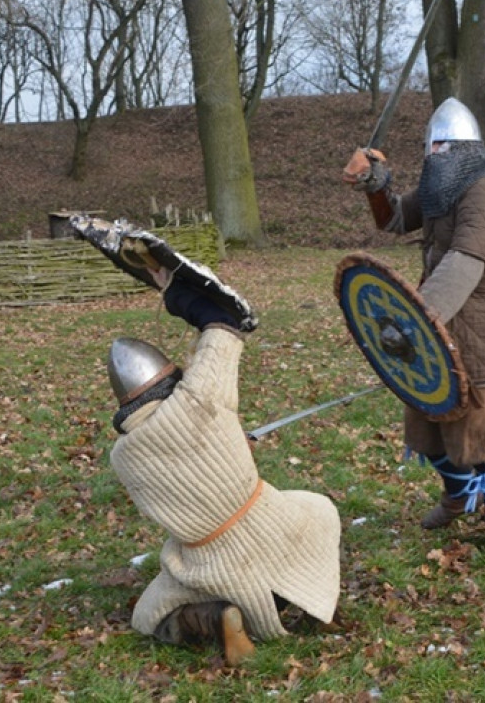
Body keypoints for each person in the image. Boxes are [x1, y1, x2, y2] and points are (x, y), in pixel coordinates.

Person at [106, 270, 342, 665]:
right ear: (167, 380)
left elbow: (184, 470)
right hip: (274, 532)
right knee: (320, 510)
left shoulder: (123, 457)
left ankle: (214, 618)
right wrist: (184, 300)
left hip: (211, 565)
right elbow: (224, 328)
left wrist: (229, 442)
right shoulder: (199, 399)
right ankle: (318, 602)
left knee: (147, 616)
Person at [343, 97, 485, 556]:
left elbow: (463, 262)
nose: (434, 155)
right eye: (431, 147)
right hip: (445, 324)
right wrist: (376, 184)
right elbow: (395, 218)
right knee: (427, 426)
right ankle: (460, 495)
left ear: (464, 148)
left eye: (442, 147)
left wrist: (415, 322)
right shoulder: (442, 182)